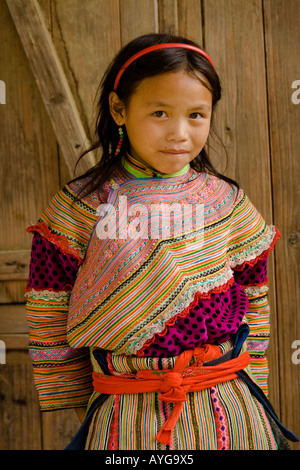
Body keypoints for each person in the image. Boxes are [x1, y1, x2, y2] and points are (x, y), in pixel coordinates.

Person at [25, 33, 298, 450]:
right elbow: (48, 308)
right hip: (128, 411)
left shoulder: (224, 203)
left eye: (195, 115)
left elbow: (255, 296)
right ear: (119, 108)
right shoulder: (80, 208)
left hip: (232, 406)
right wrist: (84, 404)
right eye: (159, 112)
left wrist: (253, 378)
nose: (179, 133)